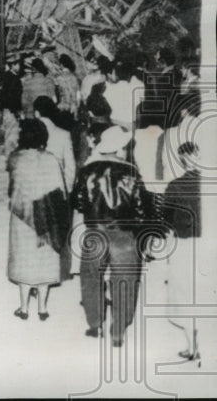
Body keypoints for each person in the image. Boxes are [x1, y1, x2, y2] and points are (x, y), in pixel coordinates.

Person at [73, 125, 157, 347]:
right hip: (124, 236)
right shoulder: (131, 173)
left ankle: (95, 324)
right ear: (120, 147)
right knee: (125, 282)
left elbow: (78, 202)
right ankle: (118, 330)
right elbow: (141, 210)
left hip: (95, 233)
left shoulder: (86, 171)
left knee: (91, 279)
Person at [6, 119, 69, 321]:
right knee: (45, 260)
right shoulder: (52, 159)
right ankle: (42, 308)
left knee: (24, 259)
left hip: (22, 217)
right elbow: (61, 191)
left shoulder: (15, 159)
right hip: (47, 216)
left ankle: (23, 308)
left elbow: (12, 189)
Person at [160, 141, 202, 363]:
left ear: (183, 159)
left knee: (186, 296)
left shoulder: (175, 186)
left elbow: (166, 221)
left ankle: (193, 346)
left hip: (185, 248)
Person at [54, 54, 81, 121]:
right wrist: (77, 105)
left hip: (63, 106)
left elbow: (58, 93)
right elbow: (78, 94)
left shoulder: (58, 77)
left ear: (61, 64)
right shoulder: (75, 77)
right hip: (74, 106)